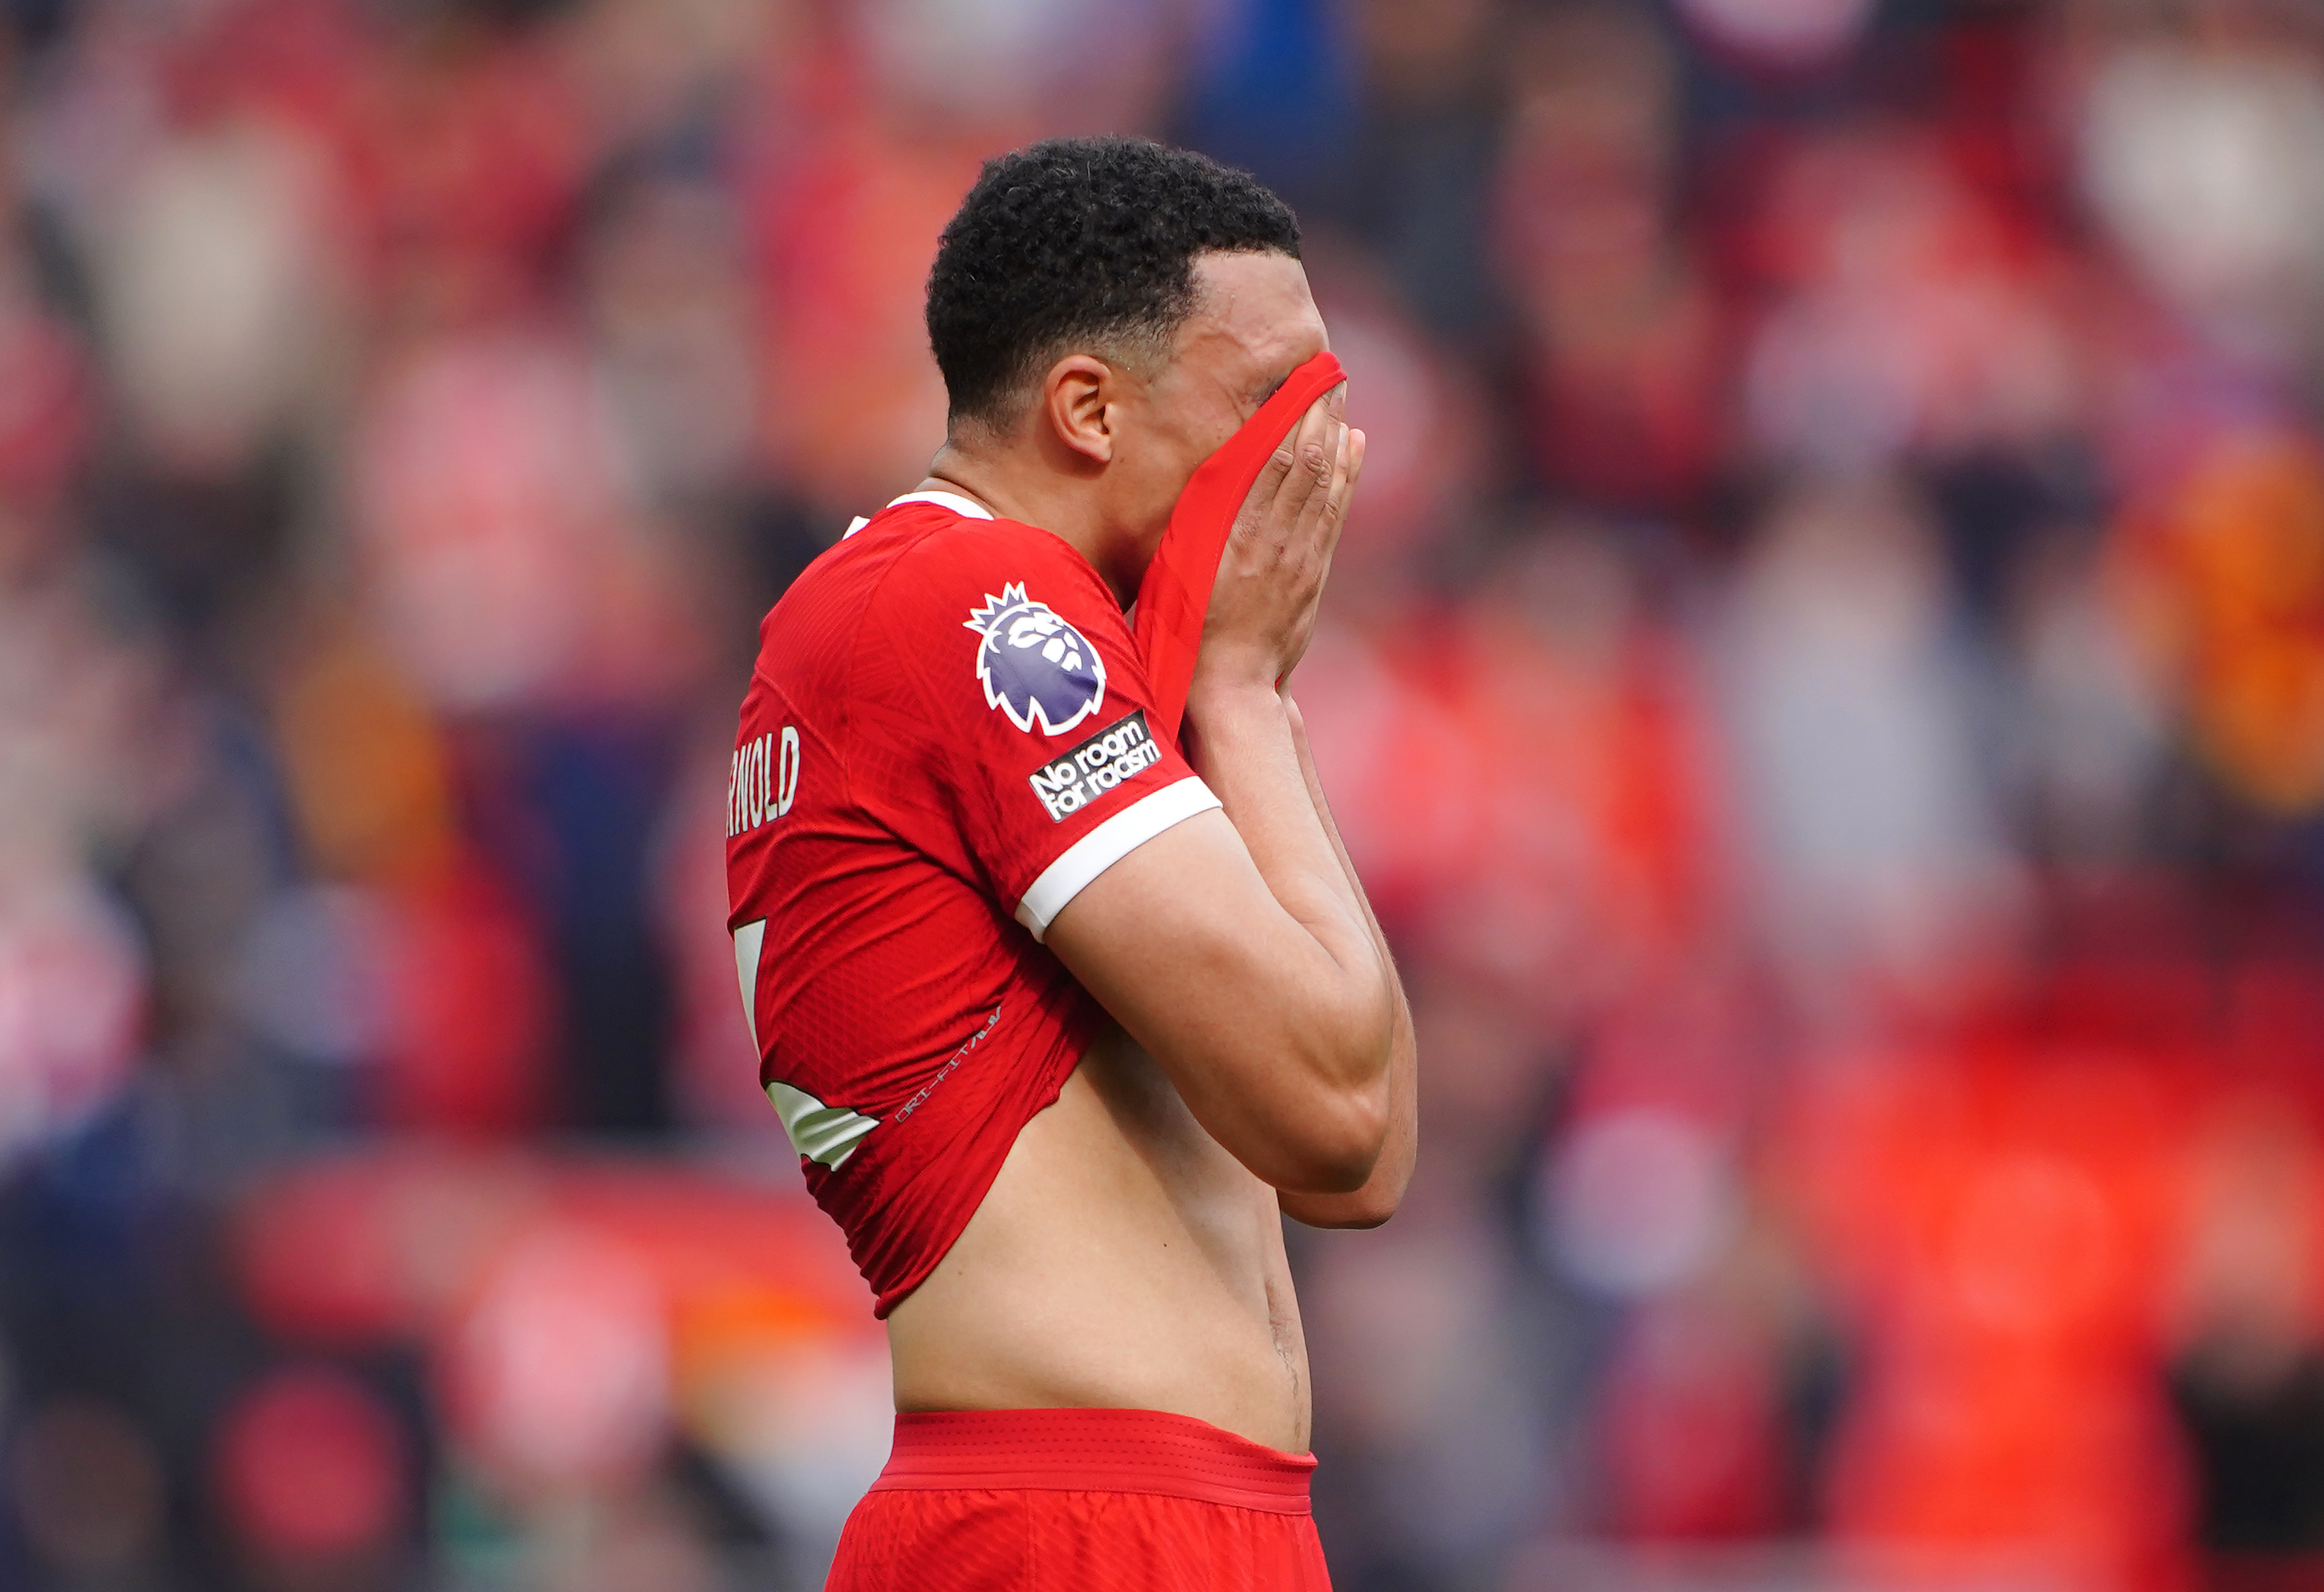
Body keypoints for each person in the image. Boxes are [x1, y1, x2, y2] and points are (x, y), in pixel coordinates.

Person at [724, 135, 1416, 1591]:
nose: (1315, 456)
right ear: (1089, 408)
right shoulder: (969, 601)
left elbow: (1368, 1130)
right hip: (1082, 1523)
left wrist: (1230, 688)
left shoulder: (948, 619)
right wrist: (1242, 694)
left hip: (1157, 1508)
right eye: (1264, 399)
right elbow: (1342, 1123)